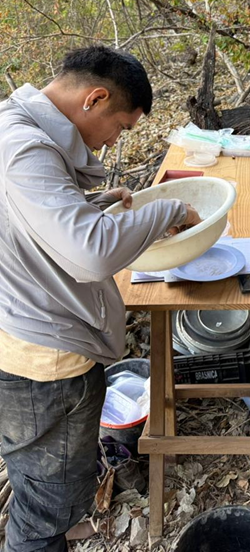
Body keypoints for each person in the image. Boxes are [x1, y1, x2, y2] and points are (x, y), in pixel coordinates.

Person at [0, 46, 200, 552]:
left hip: (21, 338)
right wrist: (167, 210)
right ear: (94, 98)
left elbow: (28, 221)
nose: (114, 140)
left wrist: (92, 203)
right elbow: (90, 255)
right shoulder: (27, 149)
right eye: (120, 127)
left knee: (43, 491)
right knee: (44, 511)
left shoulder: (13, 126)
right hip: (41, 364)